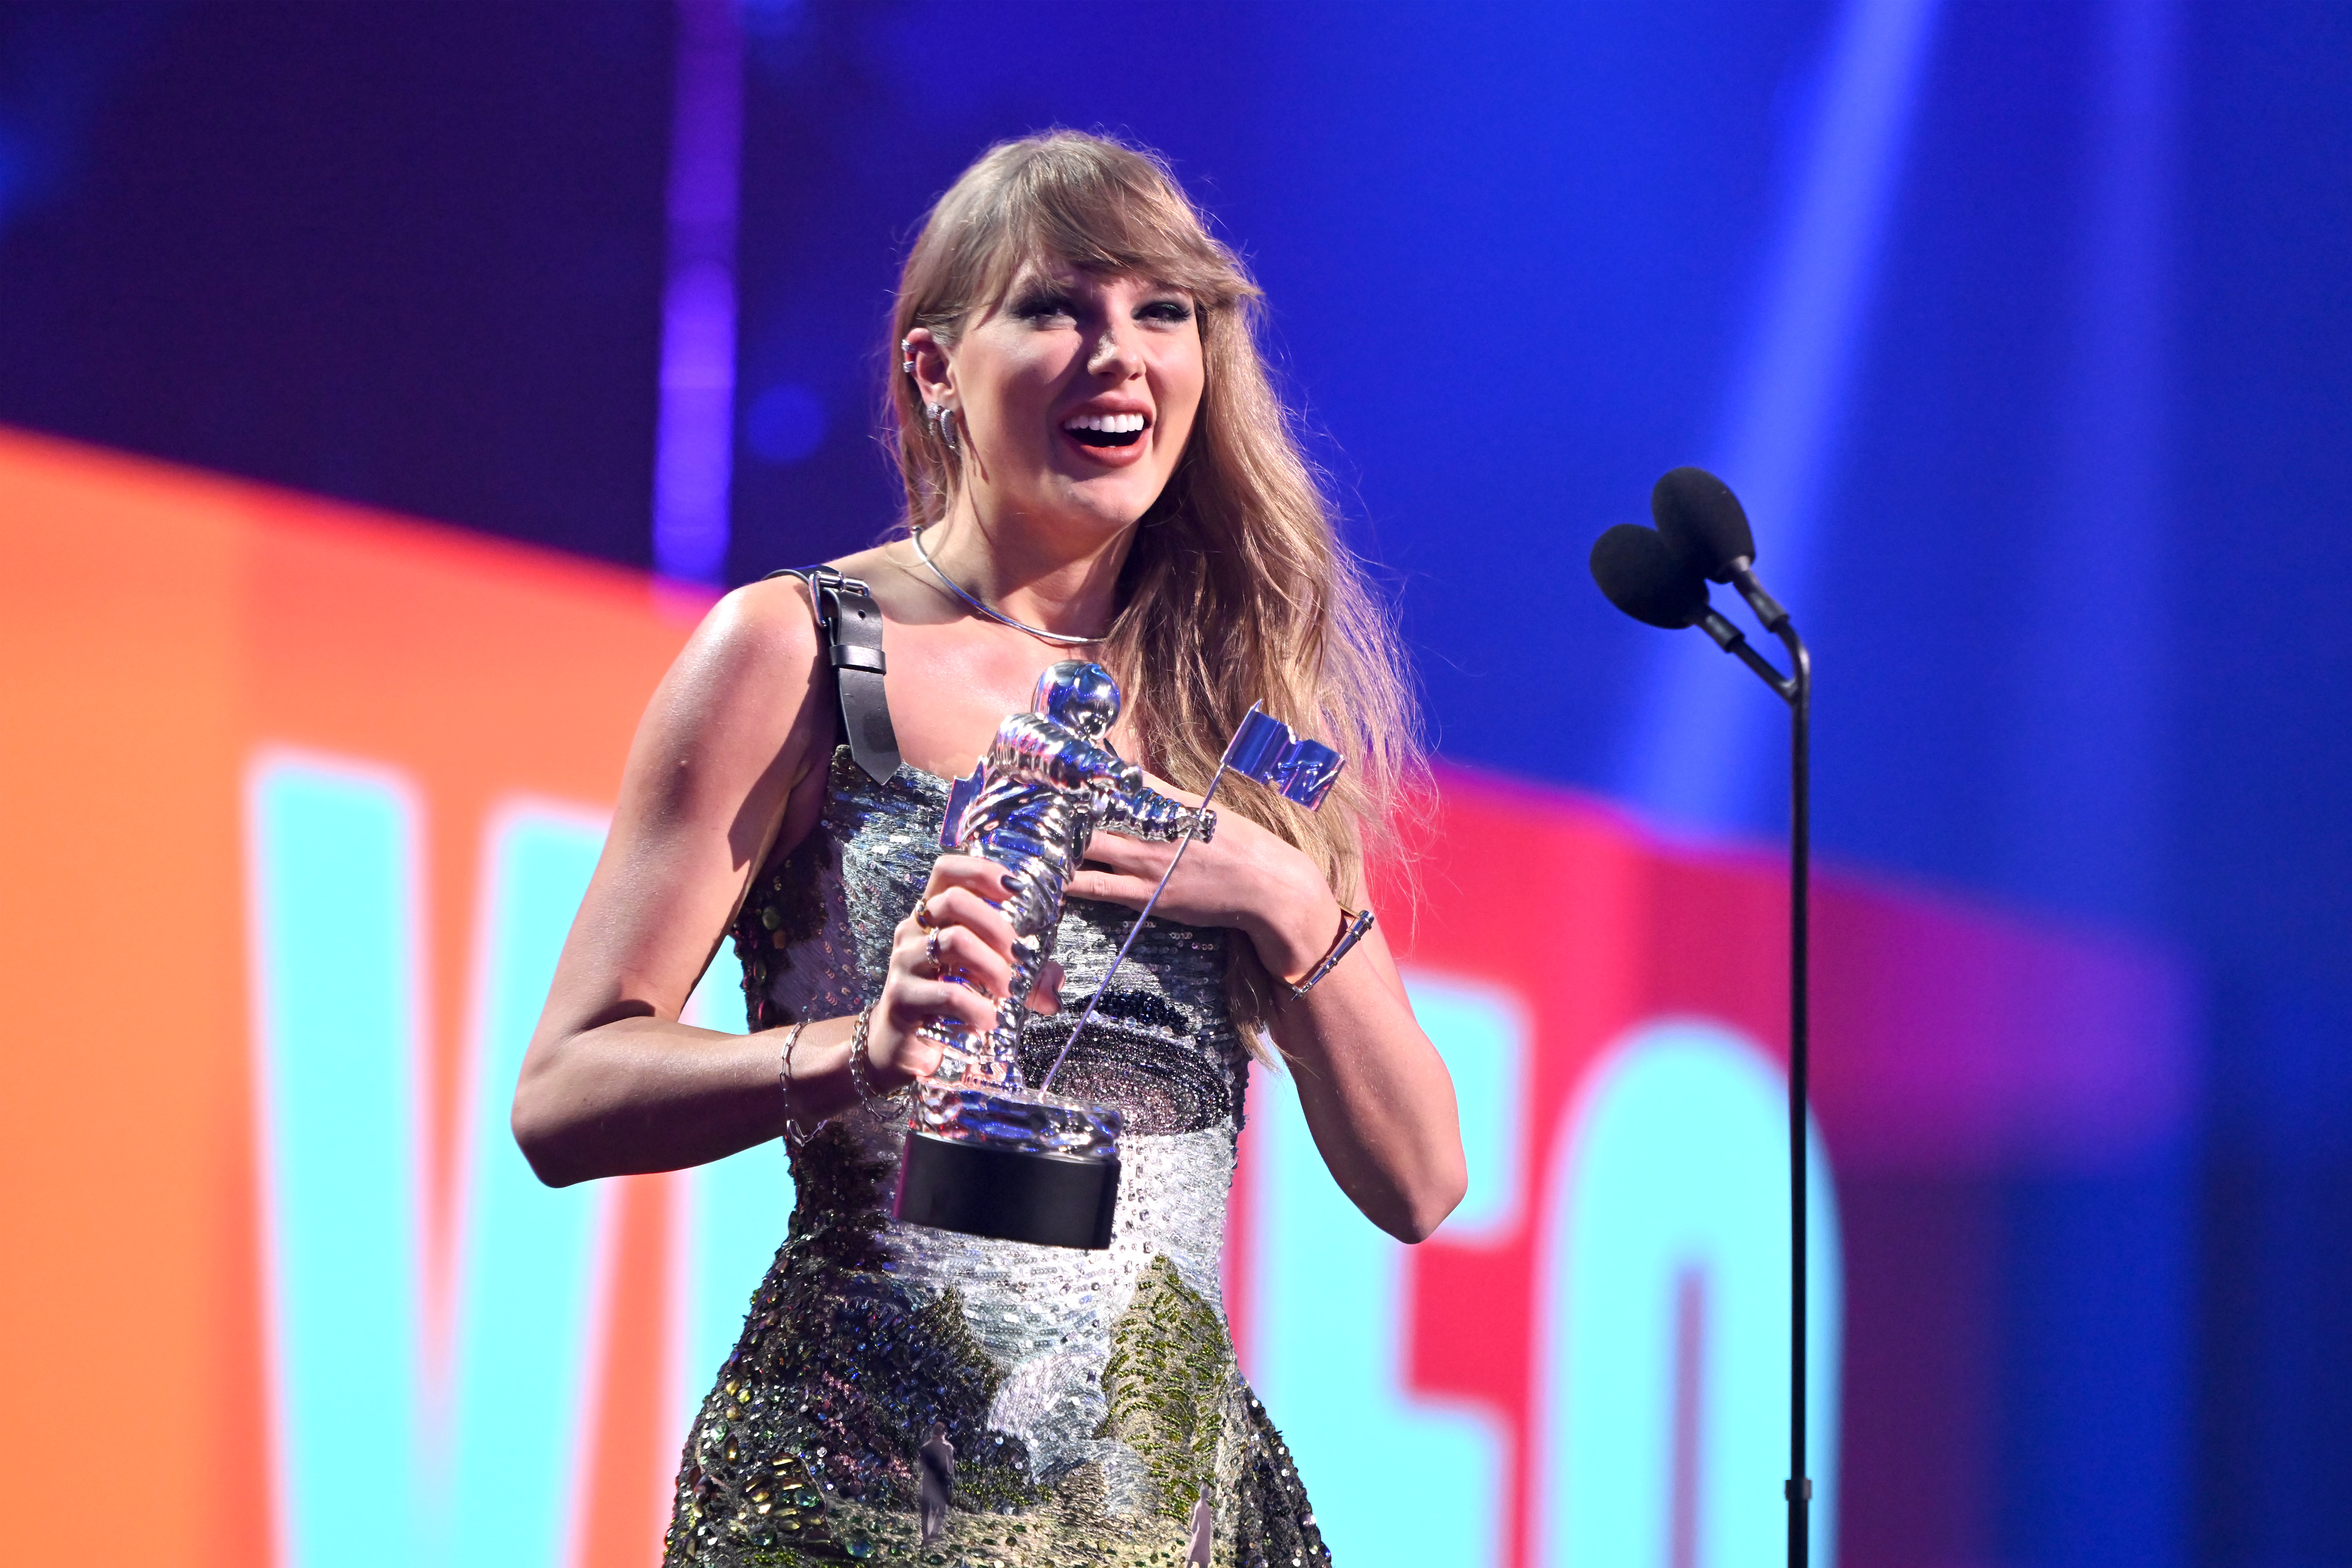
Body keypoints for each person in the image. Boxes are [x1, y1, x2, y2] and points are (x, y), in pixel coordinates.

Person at [512, 129, 1467, 1568]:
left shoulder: (1241, 705)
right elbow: (565, 1093)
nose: (1121, 353)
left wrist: (1279, 893)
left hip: (1175, 1522)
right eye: (1057, 308)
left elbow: (1421, 1184)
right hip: (860, 1503)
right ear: (933, 372)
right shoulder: (801, 651)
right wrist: (857, 1051)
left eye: (1164, 311)